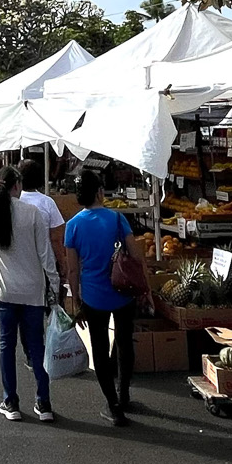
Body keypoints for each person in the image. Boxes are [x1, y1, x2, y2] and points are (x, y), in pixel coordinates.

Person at [0, 164, 59, 422]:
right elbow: (46, 255)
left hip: (4, 291)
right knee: (36, 346)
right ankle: (44, 403)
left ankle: (11, 402)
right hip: (32, 291)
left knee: (6, 345)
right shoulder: (32, 213)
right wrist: (55, 284)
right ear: (17, 186)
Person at [62, 166, 144, 425]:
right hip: (123, 291)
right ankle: (125, 394)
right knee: (123, 341)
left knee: (99, 346)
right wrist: (147, 289)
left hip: (93, 296)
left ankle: (112, 405)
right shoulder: (117, 219)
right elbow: (136, 256)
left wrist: (75, 301)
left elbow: (73, 269)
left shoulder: (73, 226)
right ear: (100, 192)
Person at [18, 157, 68, 281]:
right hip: (44, 262)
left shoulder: (13, 201)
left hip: (18, 262)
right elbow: (56, 239)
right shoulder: (47, 202)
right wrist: (62, 263)